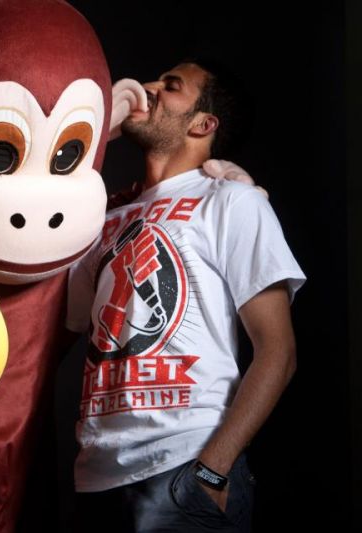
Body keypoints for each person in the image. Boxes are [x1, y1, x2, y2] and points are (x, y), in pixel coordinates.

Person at [66, 59, 305, 532]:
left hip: (184, 467)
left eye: (171, 86)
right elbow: (64, 326)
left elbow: (278, 353)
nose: (149, 87)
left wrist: (212, 471)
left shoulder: (233, 200)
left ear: (203, 124)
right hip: (96, 475)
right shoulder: (103, 217)